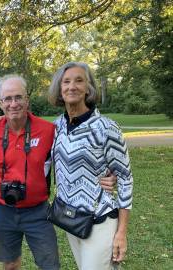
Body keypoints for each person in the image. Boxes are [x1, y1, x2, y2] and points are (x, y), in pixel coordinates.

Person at [48, 62, 133, 270]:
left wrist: (121, 233)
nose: (72, 86)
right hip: (70, 218)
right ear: (60, 88)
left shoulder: (105, 127)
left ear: (89, 88)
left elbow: (125, 179)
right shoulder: (57, 125)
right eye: (66, 82)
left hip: (98, 220)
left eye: (79, 80)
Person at [0, 74, 60, 270]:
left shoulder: (48, 130)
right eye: (7, 99)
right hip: (3, 209)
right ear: (0, 103)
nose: (13, 103)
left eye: (18, 97)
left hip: (38, 211)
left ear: (27, 99)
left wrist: (105, 173)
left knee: (49, 264)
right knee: (9, 263)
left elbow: (69, 158)